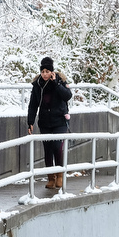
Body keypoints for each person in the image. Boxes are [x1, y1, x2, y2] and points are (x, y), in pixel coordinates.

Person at [27, 57, 73, 190]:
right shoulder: (37, 85)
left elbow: (67, 96)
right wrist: (30, 121)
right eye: (43, 71)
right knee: (47, 150)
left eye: (47, 71)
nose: (45, 74)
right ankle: (51, 177)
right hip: (45, 122)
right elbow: (33, 105)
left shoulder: (60, 81)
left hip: (60, 121)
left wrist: (56, 84)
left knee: (57, 148)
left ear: (52, 71)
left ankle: (60, 175)